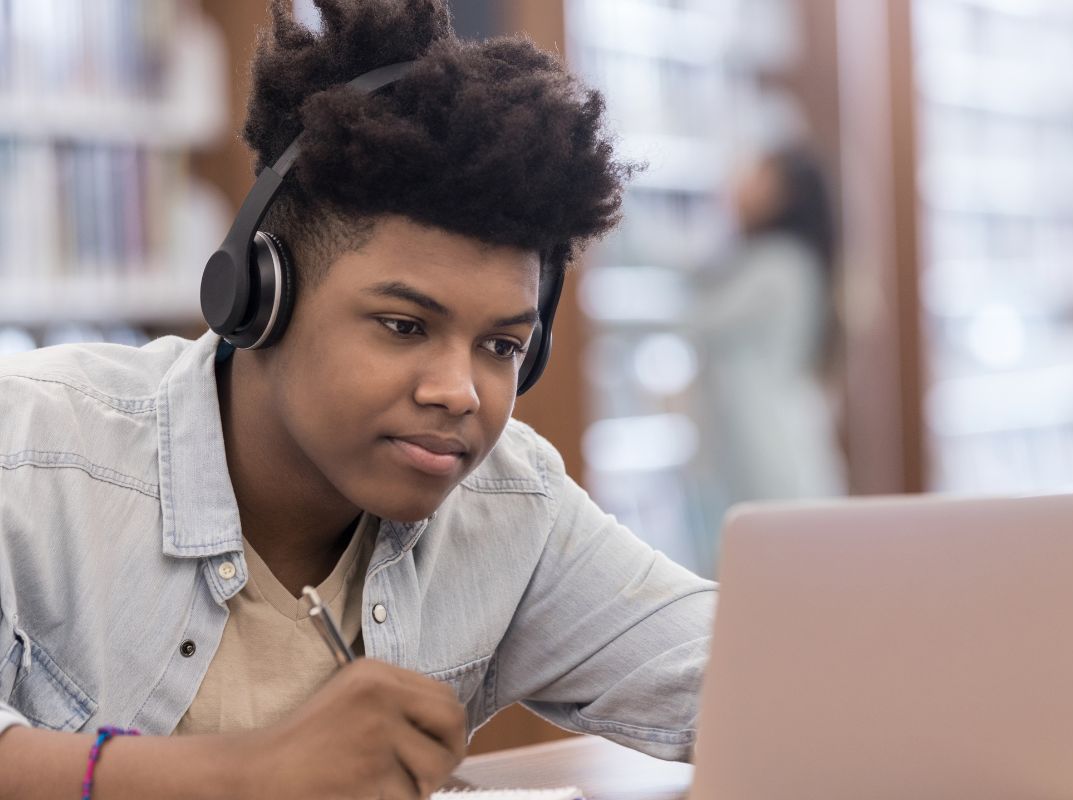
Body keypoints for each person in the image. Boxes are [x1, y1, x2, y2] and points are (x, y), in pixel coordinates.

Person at [0, 2, 716, 798]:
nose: (458, 393)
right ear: (261, 296)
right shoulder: (32, 453)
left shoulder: (511, 505)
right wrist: (248, 775)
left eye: (502, 347)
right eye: (404, 325)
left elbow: (736, 675)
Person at [689, 147, 846, 533]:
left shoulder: (778, 265)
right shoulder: (771, 259)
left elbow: (697, 320)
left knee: (775, 539)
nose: (740, 181)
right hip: (763, 426)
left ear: (783, 195)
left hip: (764, 433)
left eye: (758, 175)